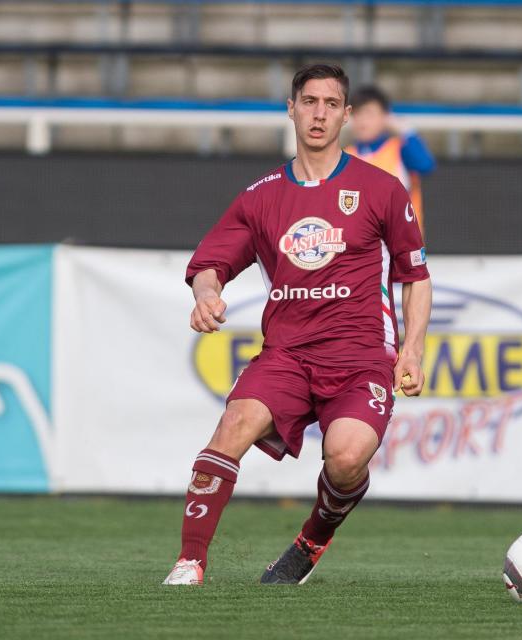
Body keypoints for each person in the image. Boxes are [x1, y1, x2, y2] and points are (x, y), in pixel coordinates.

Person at [162, 63, 432, 586]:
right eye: (309, 102)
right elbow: (210, 264)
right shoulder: (260, 196)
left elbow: (415, 275)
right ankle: (189, 562)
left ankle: (311, 541)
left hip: (359, 357)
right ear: (291, 109)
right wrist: (206, 294)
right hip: (286, 354)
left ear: (347, 115)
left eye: (331, 104)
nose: (319, 113)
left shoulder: (381, 189)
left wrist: (413, 350)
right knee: (233, 424)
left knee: (347, 458)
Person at [345, 86, 435, 237]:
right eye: (358, 114)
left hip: (402, 245)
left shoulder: (399, 149)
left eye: (370, 114)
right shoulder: (345, 156)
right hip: (363, 248)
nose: (363, 121)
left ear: (386, 117)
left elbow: (425, 165)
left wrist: (406, 130)